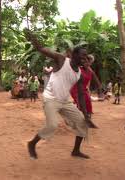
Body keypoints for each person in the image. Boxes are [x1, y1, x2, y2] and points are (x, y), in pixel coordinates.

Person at [24, 29, 97, 160]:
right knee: (52, 125)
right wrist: (33, 39)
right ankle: (32, 144)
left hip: (65, 101)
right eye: (82, 56)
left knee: (82, 123)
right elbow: (41, 49)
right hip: (50, 99)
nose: (85, 59)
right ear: (74, 55)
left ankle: (76, 151)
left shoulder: (79, 74)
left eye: (86, 56)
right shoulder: (62, 60)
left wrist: (85, 115)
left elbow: (81, 95)